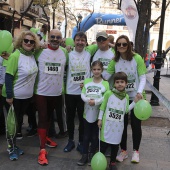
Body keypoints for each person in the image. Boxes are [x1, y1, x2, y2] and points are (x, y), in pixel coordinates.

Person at [106, 35, 146, 163]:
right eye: (119, 44)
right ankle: (123, 151)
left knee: (135, 124)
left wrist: (139, 92)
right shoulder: (115, 61)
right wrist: (92, 80)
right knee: (121, 125)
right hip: (120, 98)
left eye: (124, 44)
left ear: (129, 45)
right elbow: (106, 76)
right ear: (116, 47)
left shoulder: (137, 58)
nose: (122, 46)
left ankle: (136, 151)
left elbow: (143, 77)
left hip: (136, 96)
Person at [1, 30, 39, 160]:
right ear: (21, 42)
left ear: (34, 44)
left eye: (31, 41)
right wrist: (9, 96)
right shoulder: (15, 56)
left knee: (18, 124)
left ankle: (15, 146)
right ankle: (11, 148)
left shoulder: (32, 55)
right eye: (26, 40)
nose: (28, 43)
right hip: (14, 97)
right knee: (13, 124)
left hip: (26, 97)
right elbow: (8, 77)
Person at [34, 29, 68, 165]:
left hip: (56, 93)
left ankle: (45, 138)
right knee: (42, 119)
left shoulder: (65, 52)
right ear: (48, 37)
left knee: (48, 118)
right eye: (52, 37)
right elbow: (22, 49)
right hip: (41, 92)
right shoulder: (39, 51)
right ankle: (42, 150)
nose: (55, 39)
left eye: (58, 37)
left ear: (61, 39)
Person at [63, 31, 97, 153]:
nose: (80, 42)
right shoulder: (68, 53)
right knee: (70, 118)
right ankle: (70, 140)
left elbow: (103, 41)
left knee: (83, 119)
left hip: (84, 93)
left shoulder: (89, 52)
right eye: (77, 40)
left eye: (82, 40)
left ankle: (81, 142)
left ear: (86, 42)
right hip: (70, 92)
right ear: (74, 41)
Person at [98, 72, 138, 170]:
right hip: (107, 125)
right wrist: (99, 119)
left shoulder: (126, 97)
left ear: (126, 83)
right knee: (103, 145)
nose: (119, 84)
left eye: (122, 82)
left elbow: (126, 110)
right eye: (117, 82)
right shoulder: (109, 93)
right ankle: (100, 161)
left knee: (115, 145)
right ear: (114, 83)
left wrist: (135, 102)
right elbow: (102, 107)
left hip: (118, 127)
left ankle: (112, 162)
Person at [77, 61, 109, 166]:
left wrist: (95, 102)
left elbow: (105, 97)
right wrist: (88, 101)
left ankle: (92, 154)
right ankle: (84, 154)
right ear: (91, 70)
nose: (96, 71)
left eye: (98, 69)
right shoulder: (87, 81)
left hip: (98, 115)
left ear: (102, 70)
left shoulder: (105, 83)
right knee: (86, 136)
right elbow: (82, 94)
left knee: (95, 136)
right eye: (94, 69)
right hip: (87, 114)